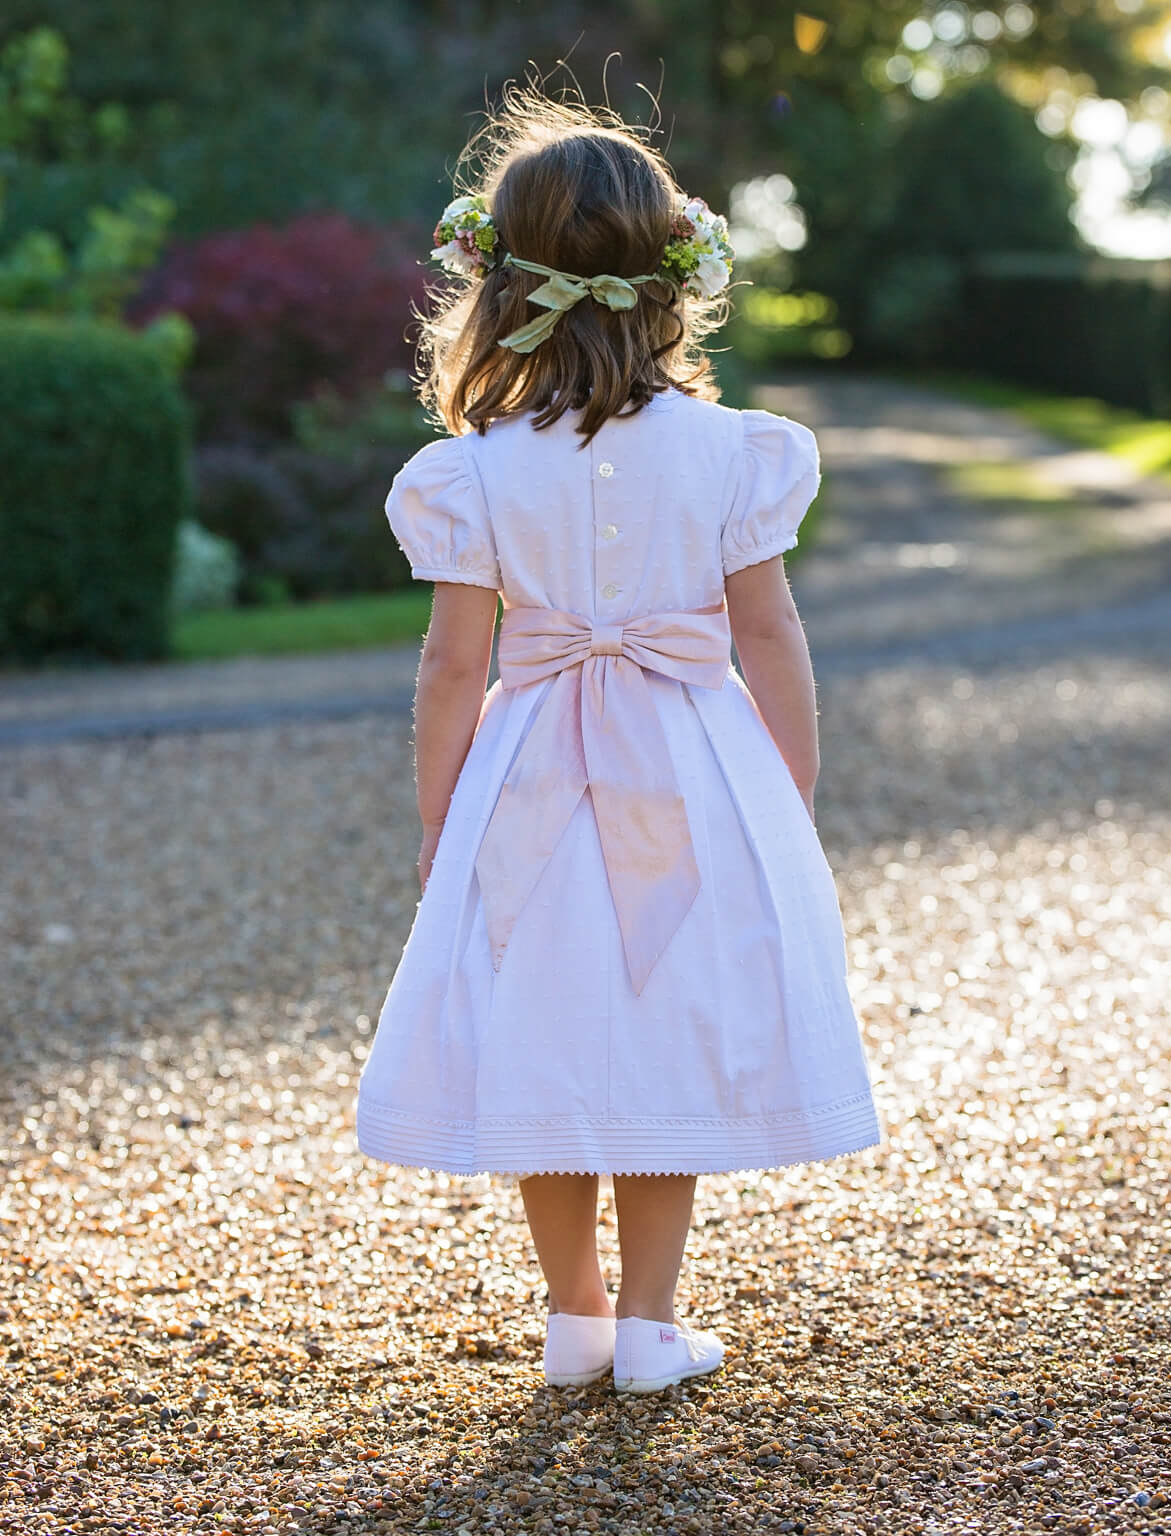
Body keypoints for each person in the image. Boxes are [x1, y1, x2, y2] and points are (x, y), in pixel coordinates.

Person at [355, 87, 882, 1396]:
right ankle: (650, 1319)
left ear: (493, 285)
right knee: (663, 1029)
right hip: (693, 779)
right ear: (671, 281)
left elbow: (455, 665)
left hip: (527, 781)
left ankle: (572, 1313)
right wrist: (785, 798)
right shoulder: (730, 453)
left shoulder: (474, 472)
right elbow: (768, 634)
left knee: (545, 1026)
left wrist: (438, 818)